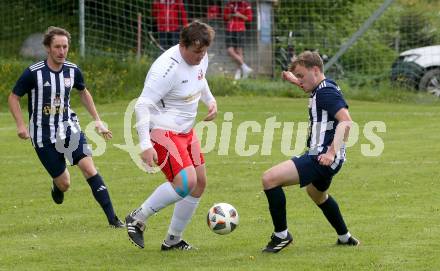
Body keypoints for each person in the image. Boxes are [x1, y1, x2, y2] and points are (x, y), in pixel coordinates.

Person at [8, 26, 124, 228]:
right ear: (47, 48)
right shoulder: (33, 73)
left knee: (89, 168)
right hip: (42, 134)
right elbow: (13, 97)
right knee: (65, 183)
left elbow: (83, 92)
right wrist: (20, 125)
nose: (62, 51)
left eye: (65, 47)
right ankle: (57, 186)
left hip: (68, 128)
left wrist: (97, 120)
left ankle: (113, 219)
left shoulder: (72, 70)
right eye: (57, 47)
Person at [125, 21, 217, 250]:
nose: (201, 56)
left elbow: (200, 78)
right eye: (196, 52)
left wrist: (210, 100)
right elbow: (142, 105)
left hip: (186, 131)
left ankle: (173, 240)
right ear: (182, 45)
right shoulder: (166, 69)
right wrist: (145, 145)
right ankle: (137, 217)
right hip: (163, 131)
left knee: (199, 184)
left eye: (204, 51)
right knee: (186, 182)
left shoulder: (201, 56)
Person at [261, 51, 359, 253]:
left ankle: (281, 235)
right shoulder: (323, 86)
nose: (300, 81)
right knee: (317, 194)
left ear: (315, 70)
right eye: (297, 77)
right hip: (328, 158)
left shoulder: (325, 92)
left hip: (321, 156)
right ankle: (345, 237)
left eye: (301, 76)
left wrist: (331, 152)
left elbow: (346, 121)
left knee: (269, 179)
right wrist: (294, 80)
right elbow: (311, 87)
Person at [223, 0, 253, 79]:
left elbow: (249, 18)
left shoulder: (246, 4)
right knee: (230, 51)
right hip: (229, 29)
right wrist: (231, 15)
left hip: (240, 29)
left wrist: (240, 15)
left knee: (239, 52)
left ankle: (239, 72)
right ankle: (245, 67)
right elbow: (225, 17)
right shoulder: (229, 4)